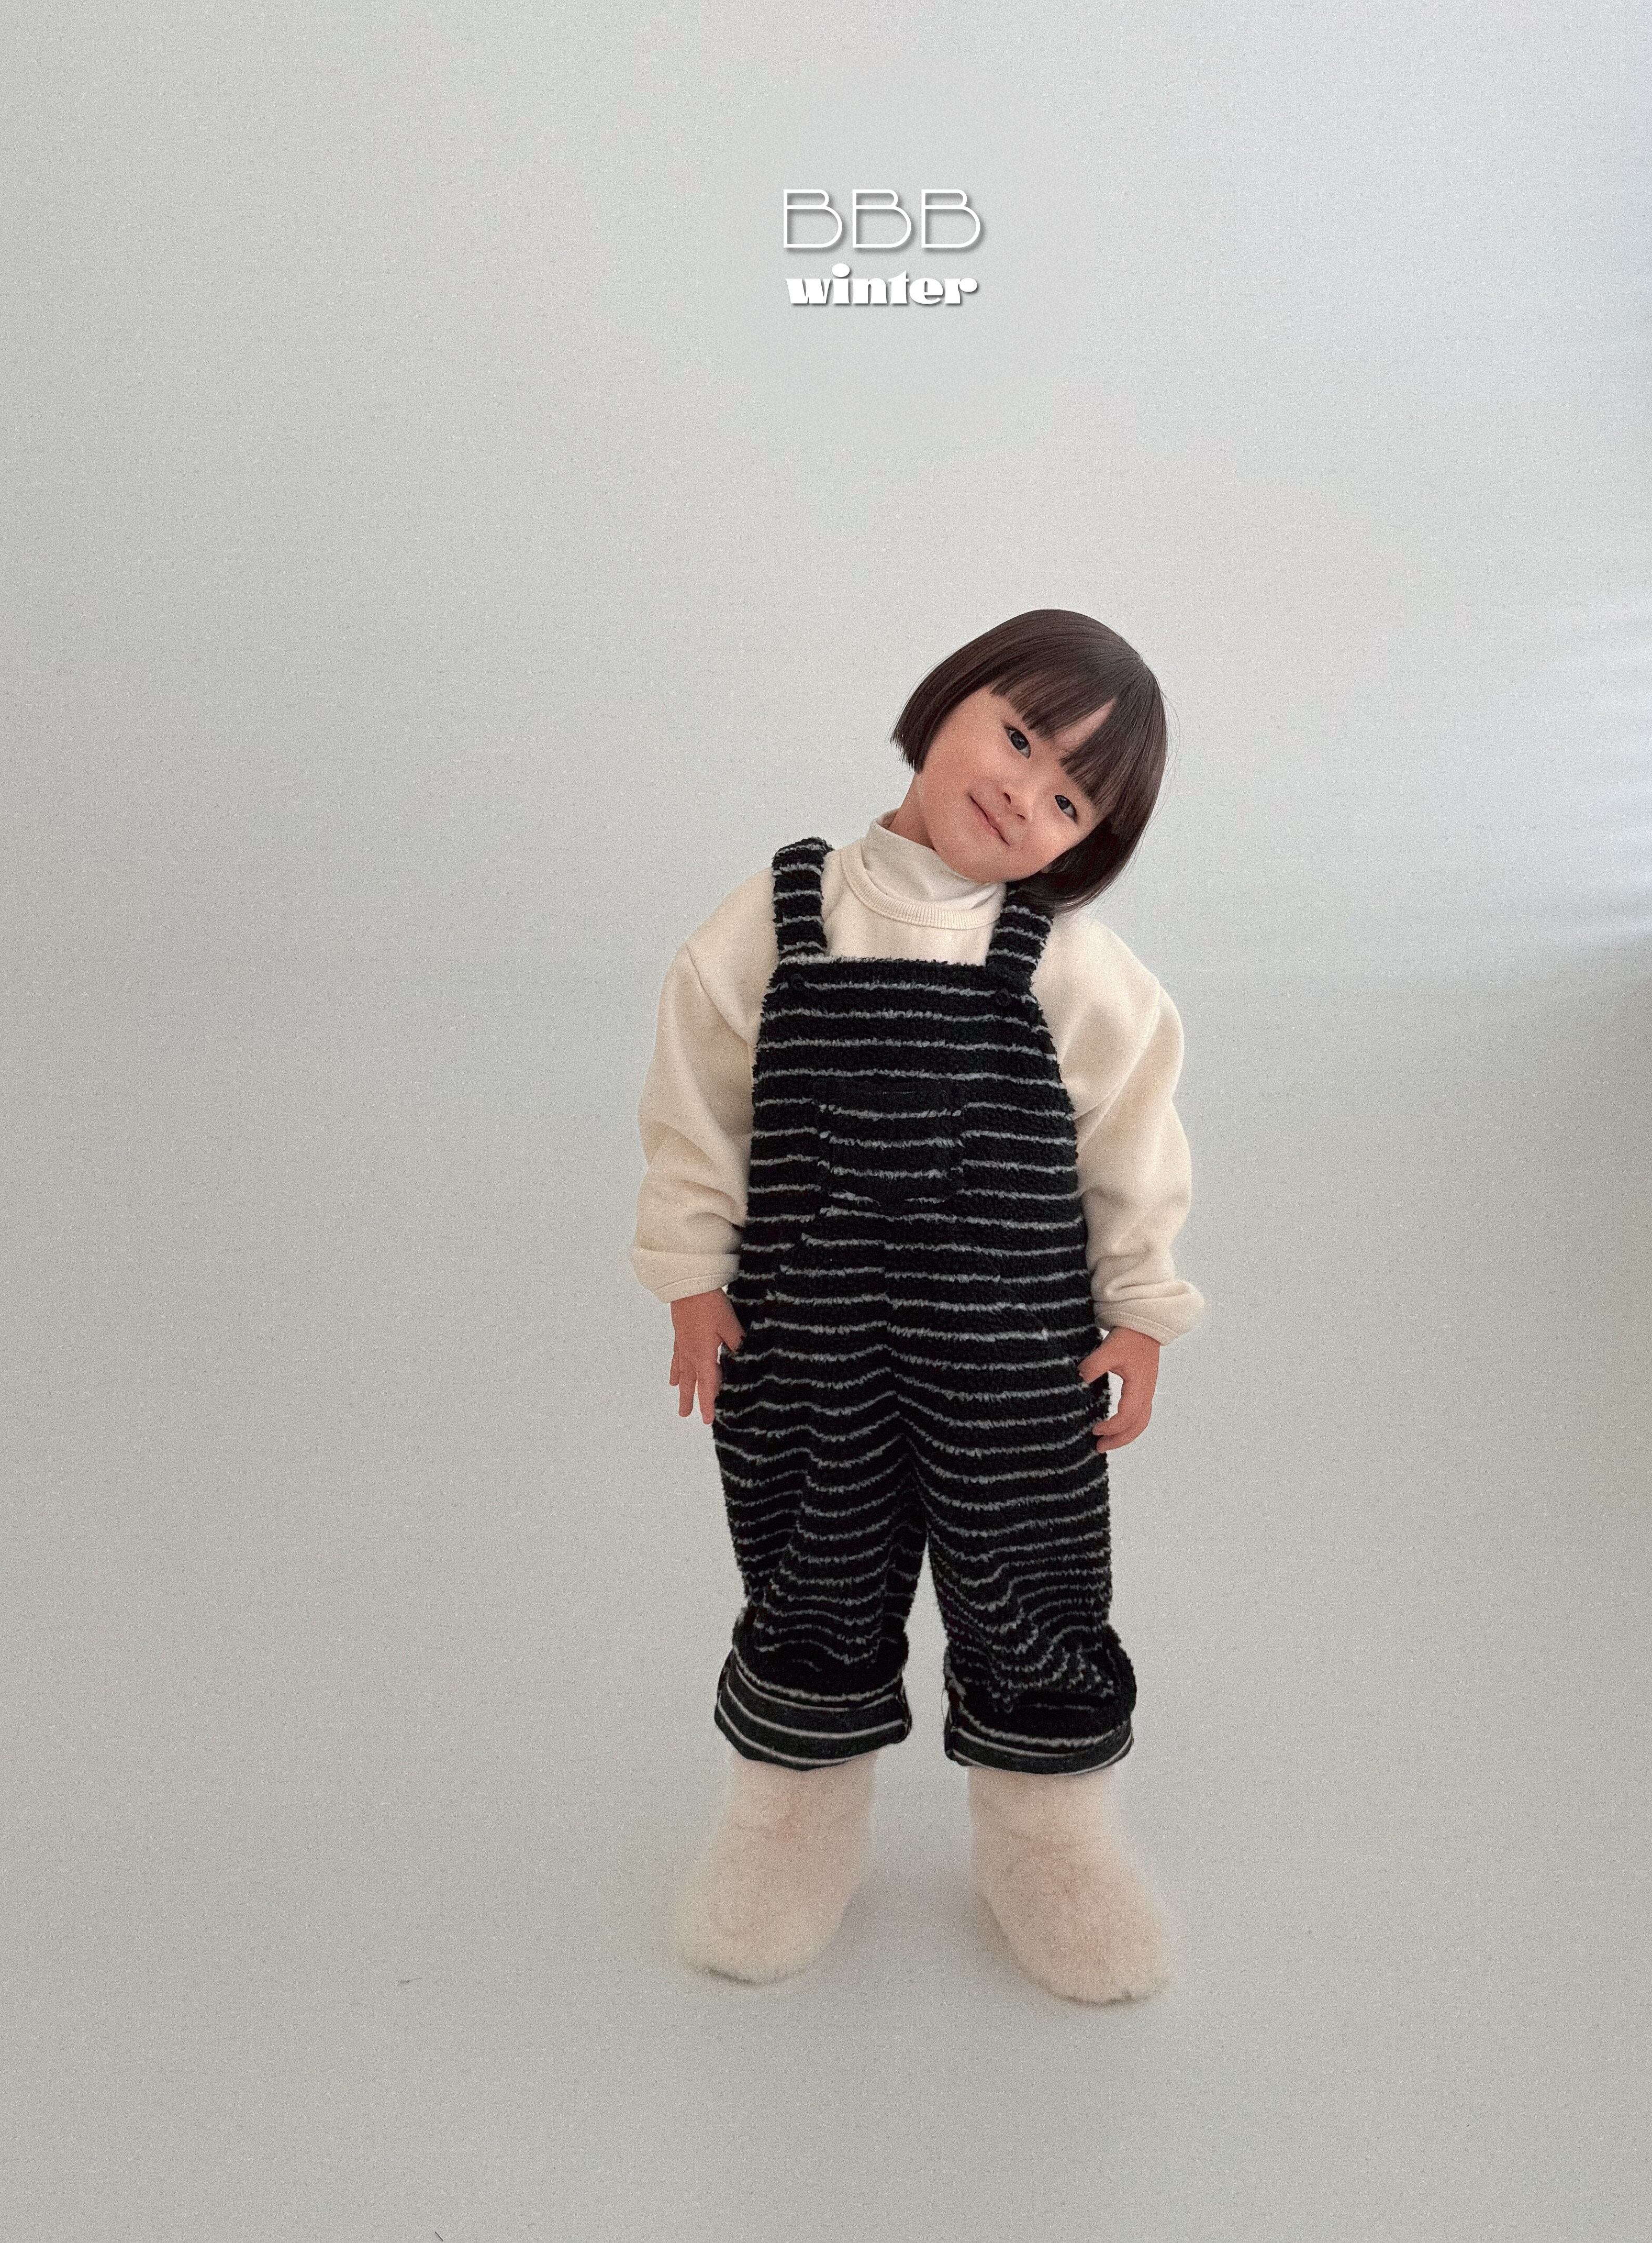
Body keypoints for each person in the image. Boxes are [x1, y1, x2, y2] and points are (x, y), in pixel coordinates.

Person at [629, 608, 1204, 2002]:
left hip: (1014, 1361)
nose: (1023, 792)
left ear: (1086, 846)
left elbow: (1132, 1143)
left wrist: (1139, 1312)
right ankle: (791, 1825)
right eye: (1018, 736)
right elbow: (696, 1108)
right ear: (947, 700)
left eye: (1069, 800)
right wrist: (690, 1277)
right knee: (807, 1568)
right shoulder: (778, 916)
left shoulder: (1065, 961)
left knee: (1035, 1578)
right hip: (804, 1343)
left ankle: (1050, 1840)